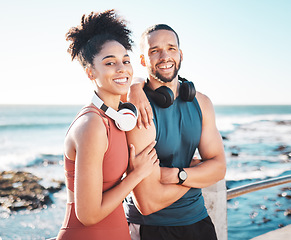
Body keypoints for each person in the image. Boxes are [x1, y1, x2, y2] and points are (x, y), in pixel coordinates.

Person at [56, 10, 158, 240]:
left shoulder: (119, 115)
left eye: (125, 61)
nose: (122, 68)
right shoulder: (92, 124)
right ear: (90, 72)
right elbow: (88, 216)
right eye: (110, 63)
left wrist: (136, 87)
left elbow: (135, 78)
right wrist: (136, 174)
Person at [124, 24, 227, 240]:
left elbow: (218, 168)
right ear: (143, 61)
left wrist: (177, 175)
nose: (165, 56)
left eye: (171, 48)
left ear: (180, 54)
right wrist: (195, 172)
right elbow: (148, 203)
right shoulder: (138, 110)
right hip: (152, 228)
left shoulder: (202, 103)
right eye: (154, 51)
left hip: (199, 221)